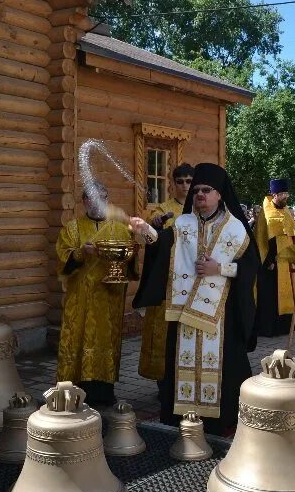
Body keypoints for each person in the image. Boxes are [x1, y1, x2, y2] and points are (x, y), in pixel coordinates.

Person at [131, 163, 260, 433]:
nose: (199, 194)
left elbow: (251, 268)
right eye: (197, 190)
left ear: (219, 194)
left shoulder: (236, 229)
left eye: (206, 190)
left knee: (223, 366)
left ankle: (217, 420)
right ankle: (184, 417)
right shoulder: (183, 224)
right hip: (184, 312)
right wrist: (146, 231)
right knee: (180, 361)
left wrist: (221, 268)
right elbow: (163, 244)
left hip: (221, 315)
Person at [55, 181, 137, 406]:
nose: (96, 202)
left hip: (109, 297)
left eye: (101, 197)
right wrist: (81, 253)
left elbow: (131, 261)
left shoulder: (120, 229)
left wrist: (129, 258)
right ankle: (73, 392)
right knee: (77, 340)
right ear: (84, 202)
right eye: (91, 198)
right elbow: (63, 260)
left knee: (106, 343)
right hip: (80, 299)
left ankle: (104, 393)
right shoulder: (72, 228)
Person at [137, 163, 195, 383]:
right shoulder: (162, 210)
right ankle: (164, 381)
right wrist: (154, 227)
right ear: (172, 184)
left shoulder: (198, 209)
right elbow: (148, 240)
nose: (185, 186)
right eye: (180, 182)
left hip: (192, 280)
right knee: (164, 330)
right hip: (168, 281)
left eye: (189, 181)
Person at [253, 178, 295, 336]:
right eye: (283, 194)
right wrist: (269, 260)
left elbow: (291, 234)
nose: (286, 196)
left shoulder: (286, 210)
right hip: (270, 263)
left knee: (286, 294)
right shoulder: (265, 212)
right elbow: (262, 238)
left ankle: (285, 327)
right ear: (274, 194)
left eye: (287, 193)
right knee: (270, 297)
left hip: (285, 261)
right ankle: (269, 329)